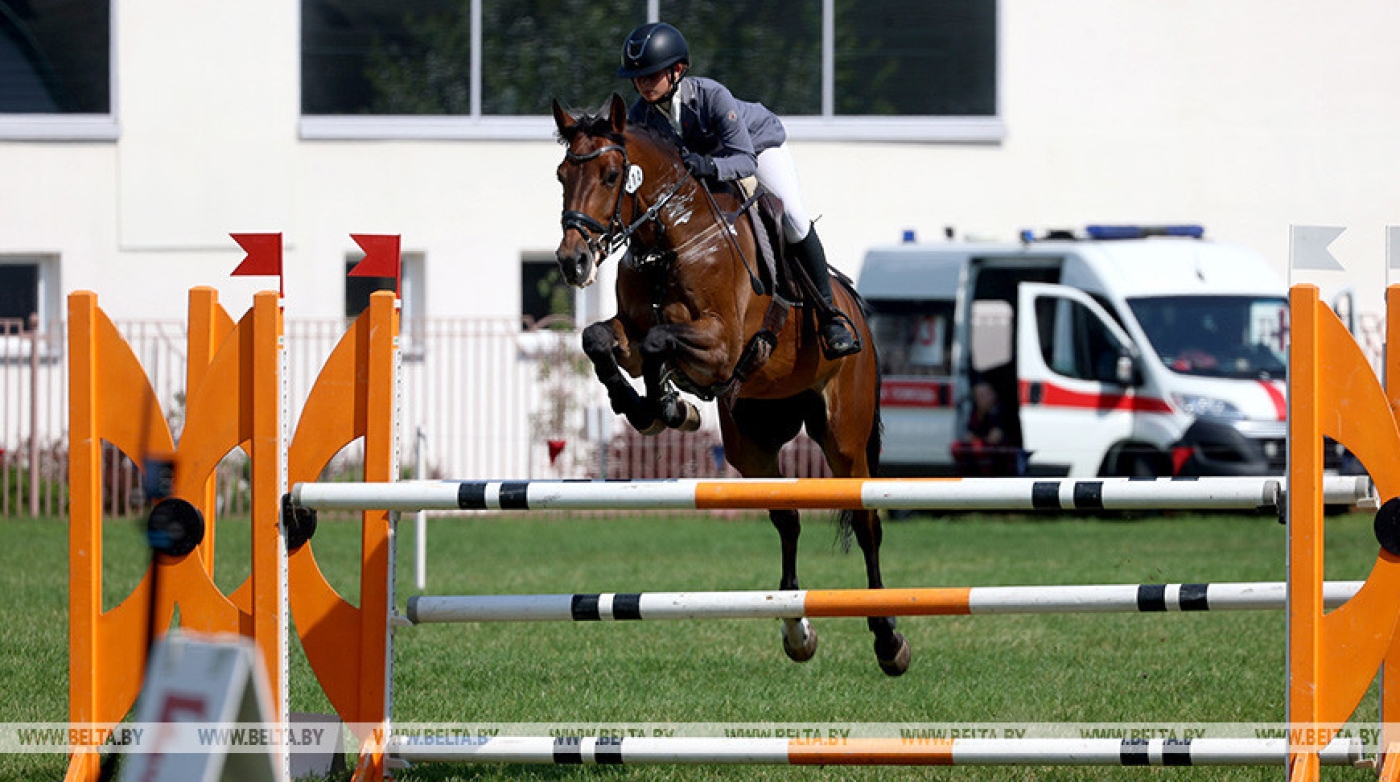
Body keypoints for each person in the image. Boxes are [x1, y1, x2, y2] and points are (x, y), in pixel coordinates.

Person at [615, 22, 860, 359]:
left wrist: (710, 166)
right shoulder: (640, 116)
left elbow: (744, 160)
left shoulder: (711, 96)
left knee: (792, 217)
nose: (643, 84)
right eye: (637, 77)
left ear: (677, 70)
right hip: (706, 164)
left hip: (756, 147)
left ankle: (830, 316)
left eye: (651, 75)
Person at [951, 381, 1020, 476]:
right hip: (981, 448)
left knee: (978, 446)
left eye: (985, 395)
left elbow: (994, 438)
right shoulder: (975, 414)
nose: (982, 399)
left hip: (1001, 452)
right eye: (979, 396)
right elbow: (968, 436)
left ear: (994, 396)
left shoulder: (1000, 412)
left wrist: (977, 439)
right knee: (957, 446)